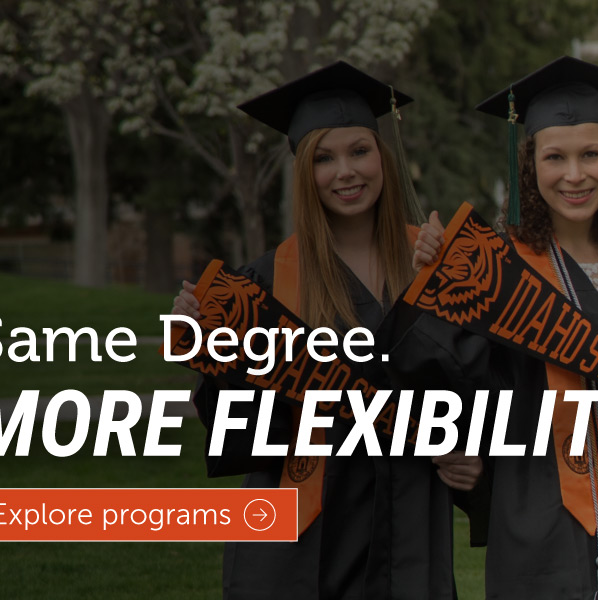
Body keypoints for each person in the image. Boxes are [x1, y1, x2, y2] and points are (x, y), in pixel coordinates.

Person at [390, 55, 598, 599]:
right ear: (528, 166)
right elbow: (441, 391)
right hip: (545, 531)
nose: (575, 175)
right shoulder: (497, 276)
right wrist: (434, 287)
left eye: (590, 155)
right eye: (555, 157)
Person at [170, 62, 457, 599]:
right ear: (303, 171)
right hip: (304, 532)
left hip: (410, 520)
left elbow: (475, 389)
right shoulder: (265, 281)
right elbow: (238, 425)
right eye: (323, 158)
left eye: (359, 151)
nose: (345, 171)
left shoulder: (429, 258)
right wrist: (207, 346)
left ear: (383, 156)